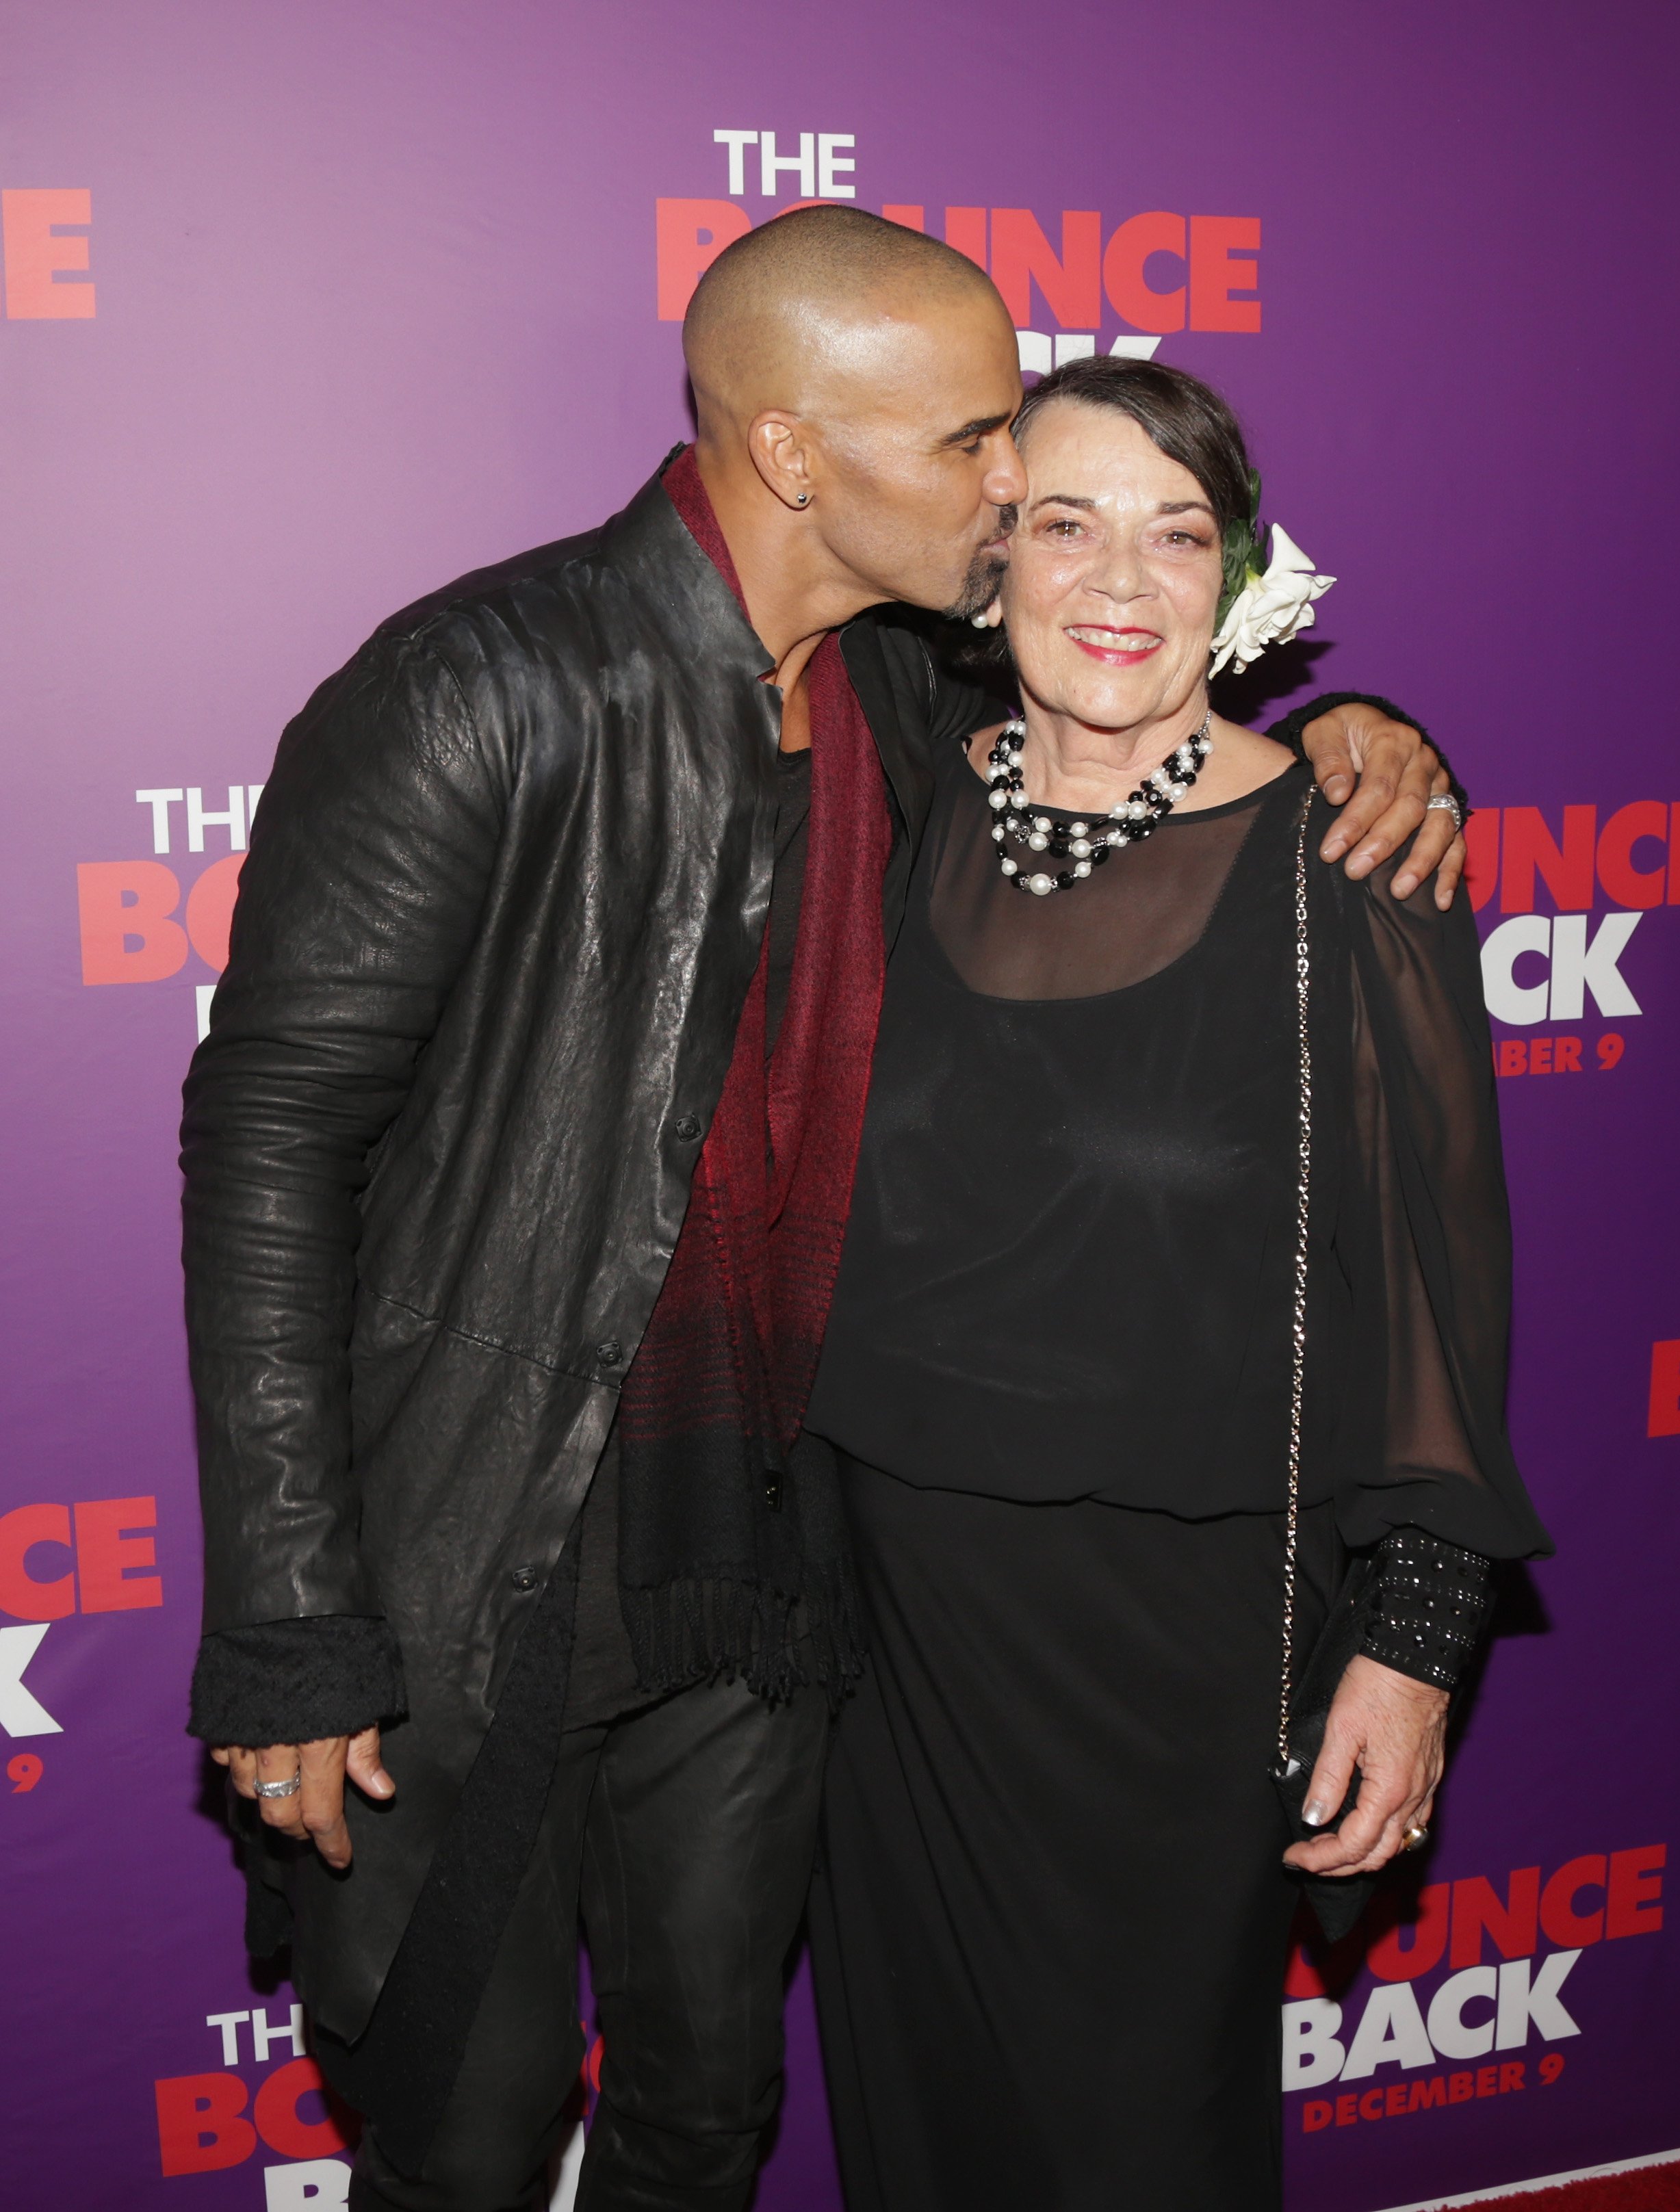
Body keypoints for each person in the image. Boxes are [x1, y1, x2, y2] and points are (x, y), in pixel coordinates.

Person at [181, 211, 1460, 2212]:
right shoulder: (476, 687)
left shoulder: (901, 695)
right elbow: (269, 1128)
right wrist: (287, 1622)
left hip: (777, 1568)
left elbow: (1157, 784)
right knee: (470, 2120)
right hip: (489, 1545)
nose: (1011, 483)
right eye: (973, 447)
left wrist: (1379, 745)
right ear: (793, 454)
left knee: (710, 2109)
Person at [803, 352, 1551, 2212]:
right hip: (883, 1612)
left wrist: (1415, 1639)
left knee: (1135, 2129)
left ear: (1238, 577)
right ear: (987, 567)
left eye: (1175, 531)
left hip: (1179, 1626)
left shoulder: (1350, 852)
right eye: (1064, 524)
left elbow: (1440, 1277)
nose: (1118, 580)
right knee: (922, 2108)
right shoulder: (895, 795)